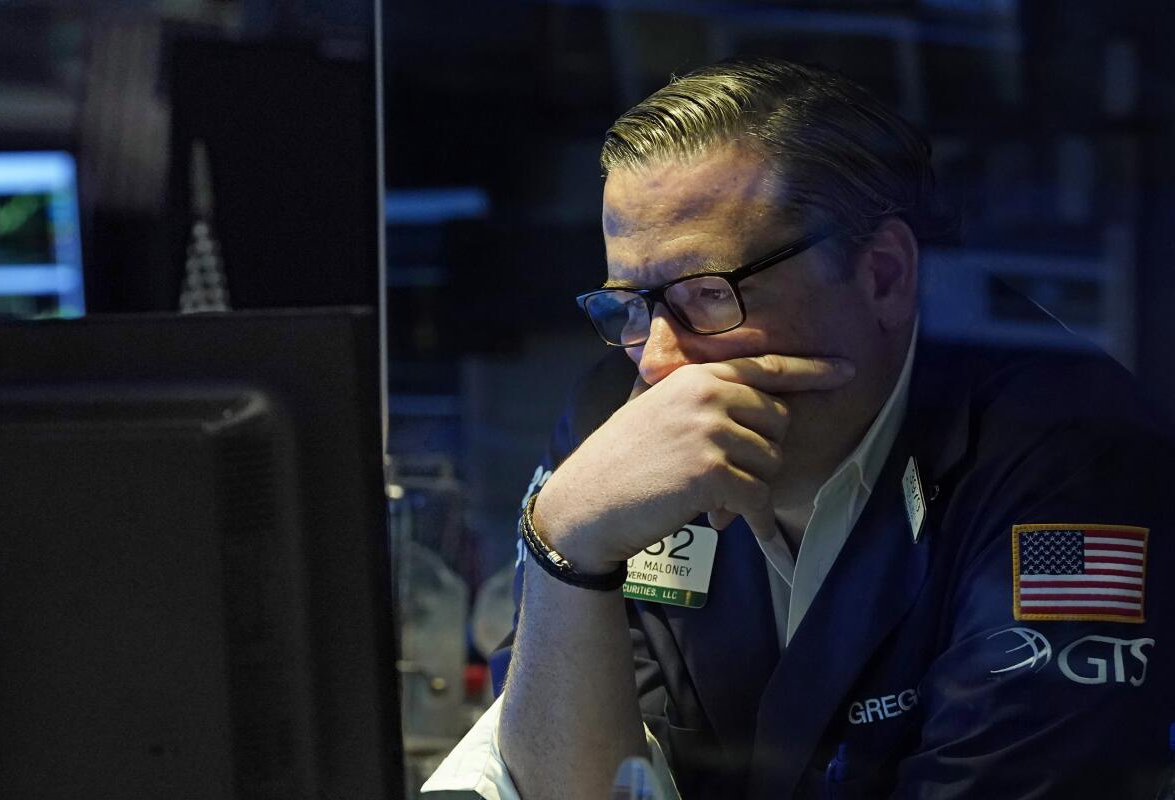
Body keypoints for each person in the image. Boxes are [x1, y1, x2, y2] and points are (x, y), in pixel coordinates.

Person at [423, 57, 1175, 800]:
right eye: (630, 305)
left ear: (882, 275)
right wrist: (567, 541)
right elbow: (577, 788)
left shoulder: (1071, 463)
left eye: (706, 295)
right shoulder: (617, 427)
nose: (654, 361)